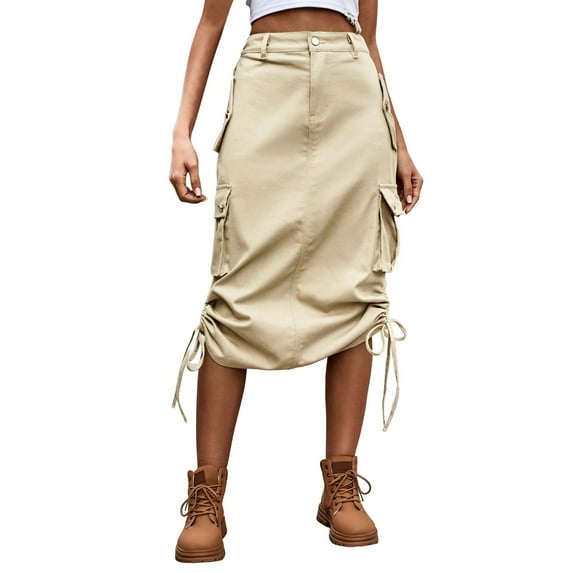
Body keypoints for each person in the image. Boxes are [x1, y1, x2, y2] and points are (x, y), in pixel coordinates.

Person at [168, 0, 423, 563]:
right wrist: (182, 132)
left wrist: (400, 146)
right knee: (237, 291)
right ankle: (207, 496)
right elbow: (211, 23)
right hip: (266, 81)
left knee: (355, 285)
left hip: (352, 95)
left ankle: (341, 485)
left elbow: (369, 40)